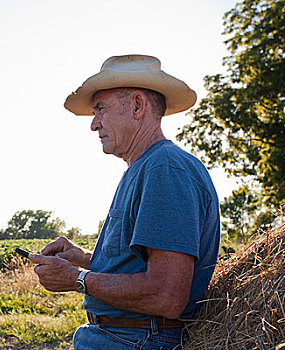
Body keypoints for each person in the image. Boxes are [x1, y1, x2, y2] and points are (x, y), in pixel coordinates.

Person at [29, 55, 220, 350]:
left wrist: (78, 279)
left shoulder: (165, 168)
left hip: (136, 340)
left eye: (100, 109)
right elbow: (141, 268)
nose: (94, 124)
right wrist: (84, 259)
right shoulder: (146, 167)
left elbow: (166, 294)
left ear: (137, 106)